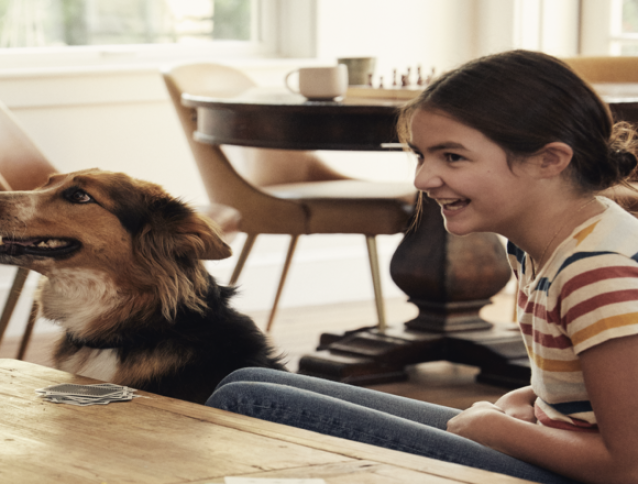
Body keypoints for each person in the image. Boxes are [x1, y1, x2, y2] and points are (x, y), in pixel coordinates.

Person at [207, 49, 638, 484]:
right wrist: (525, 398)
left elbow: (628, 467)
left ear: (549, 160)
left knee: (251, 400)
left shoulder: (596, 274)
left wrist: (498, 430)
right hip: (559, 448)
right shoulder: (546, 244)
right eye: (420, 156)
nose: (422, 180)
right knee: (247, 380)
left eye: (452, 157)